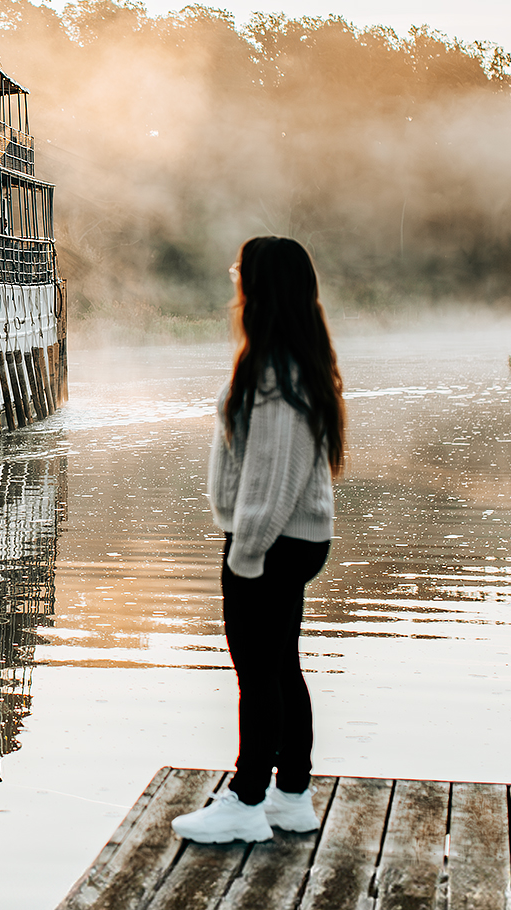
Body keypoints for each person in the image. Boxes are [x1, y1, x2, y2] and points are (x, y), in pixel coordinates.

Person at [170, 236, 344, 845]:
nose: (234, 279)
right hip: (288, 539)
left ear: (261, 286)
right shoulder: (285, 357)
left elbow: (273, 476)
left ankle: (246, 802)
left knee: (257, 671)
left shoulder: (275, 372)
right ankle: (290, 793)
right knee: (278, 664)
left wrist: (244, 554)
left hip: (270, 541)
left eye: (241, 270)